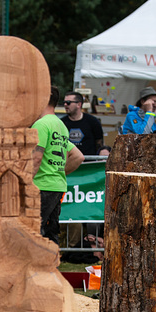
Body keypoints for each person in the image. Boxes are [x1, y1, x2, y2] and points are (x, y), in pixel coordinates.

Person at [33, 86, 85, 245]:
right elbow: (78, 156)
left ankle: (37, 267)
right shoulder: (60, 125)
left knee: (34, 231)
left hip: (41, 185)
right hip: (56, 185)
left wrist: (23, 183)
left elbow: (36, 159)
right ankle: (51, 267)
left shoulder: (41, 124)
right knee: (50, 232)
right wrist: (58, 171)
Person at [61, 91, 103, 155]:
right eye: (64, 102)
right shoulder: (61, 123)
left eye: (68, 102)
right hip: (68, 162)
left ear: (79, 104)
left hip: (88, 162)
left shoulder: (93, 121)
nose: (65, 105)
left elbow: (99, 143)